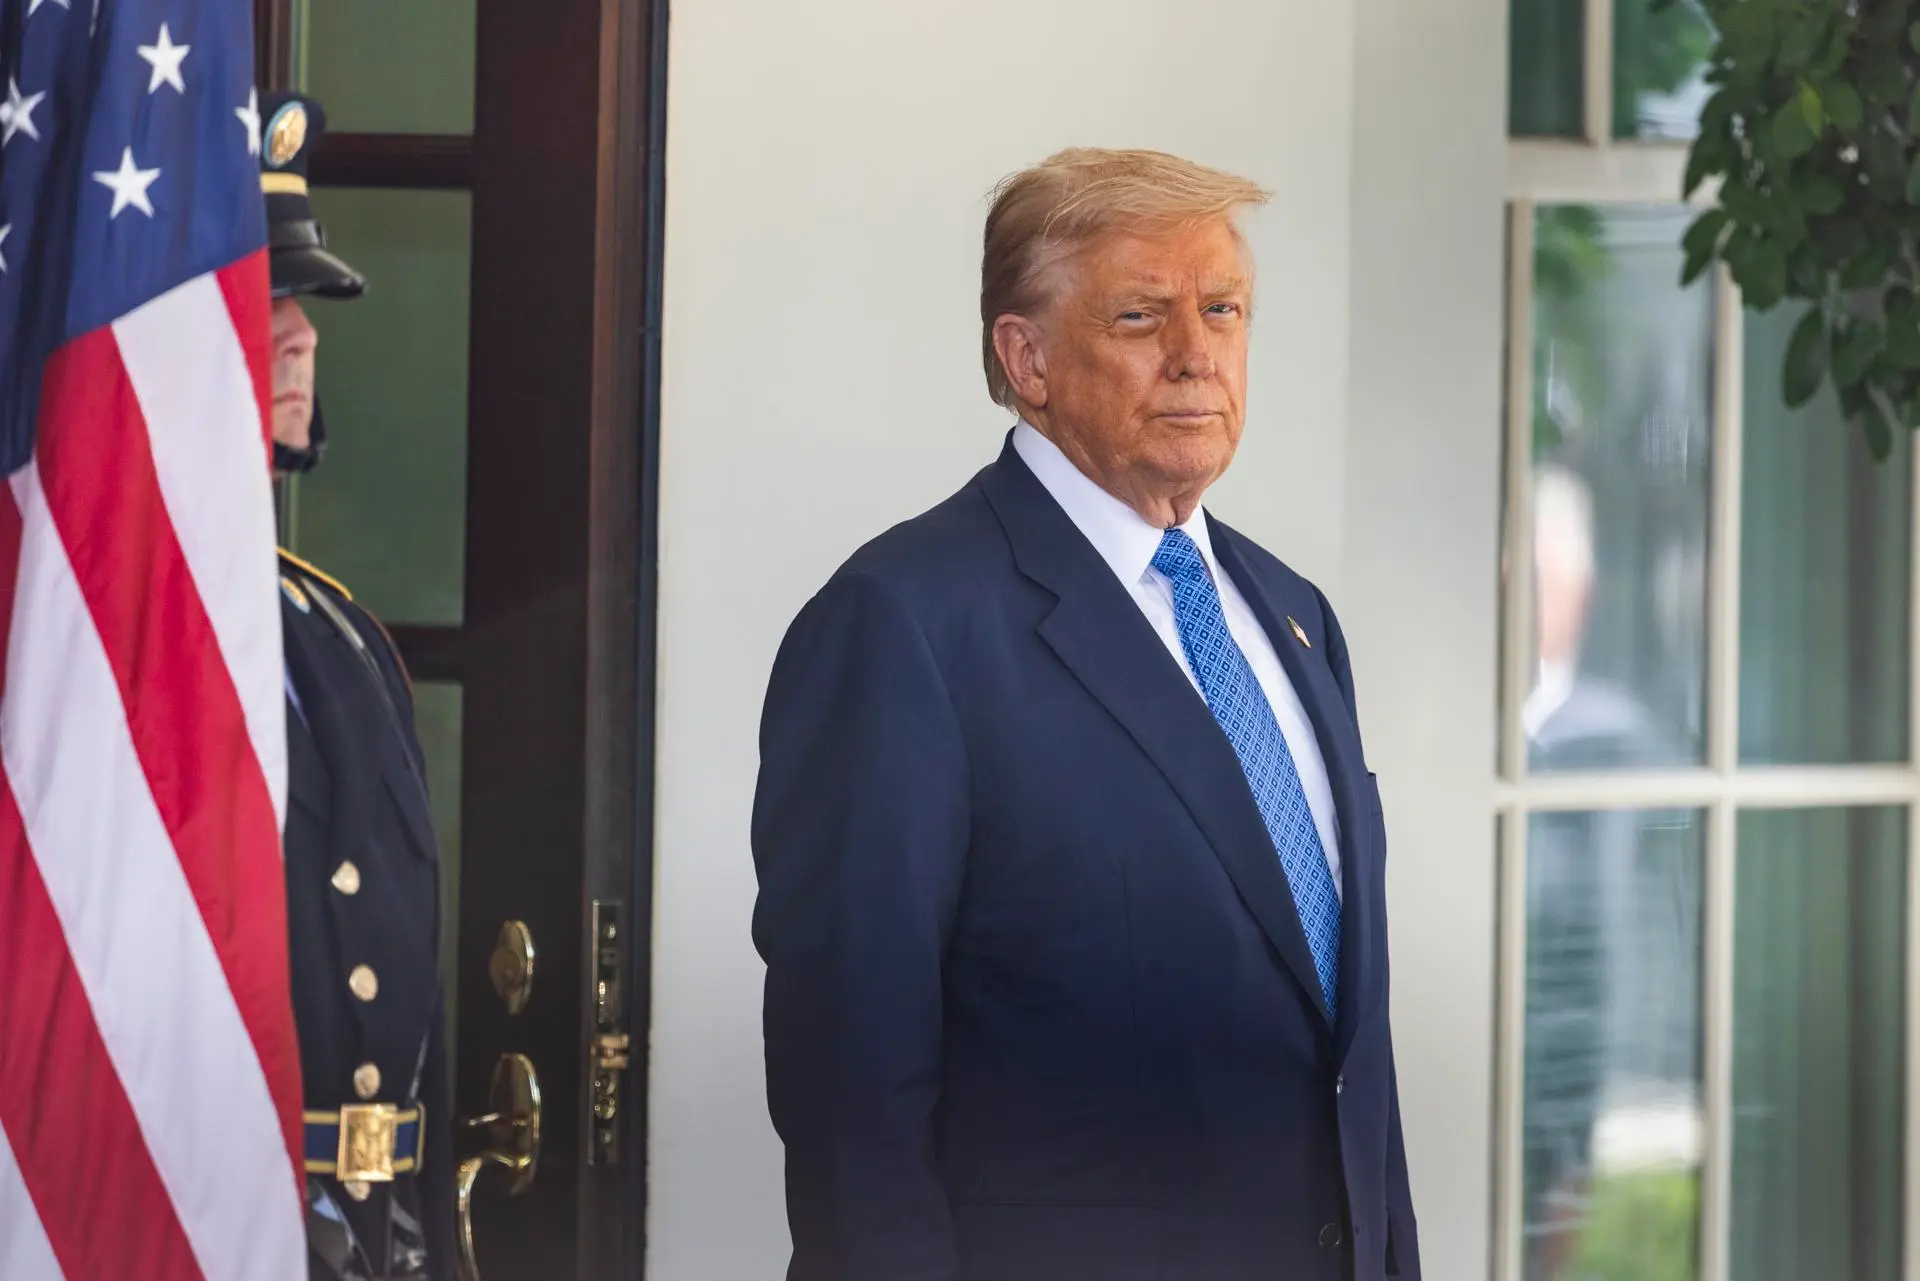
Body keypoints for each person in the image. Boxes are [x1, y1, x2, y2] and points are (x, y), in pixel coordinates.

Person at [751, 148, 1420, 1281]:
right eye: (1141, 316)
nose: (1196, 353)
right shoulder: (903, 626)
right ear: (1029, 359)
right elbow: (852, 1109)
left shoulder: (1294, 614)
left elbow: (1348, 1059)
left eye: (1222, 310)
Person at [258, 90, 454, 1281]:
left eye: (302, 305)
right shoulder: (85, 654)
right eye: (256, 304)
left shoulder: (338, 630)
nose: (302, 336)